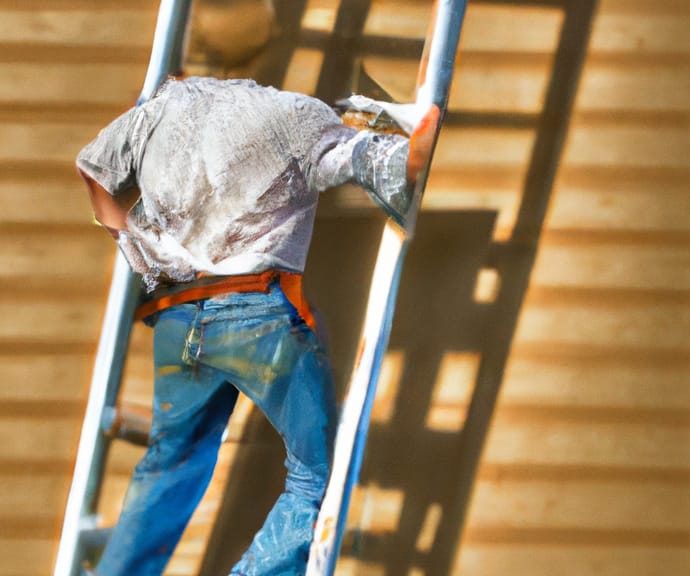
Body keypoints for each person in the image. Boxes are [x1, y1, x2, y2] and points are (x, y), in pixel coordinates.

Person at [76, 75, 431, 576]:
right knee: (317, 477)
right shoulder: (294, 117)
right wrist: (415, 127)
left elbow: (93, 171)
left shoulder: (155, 113)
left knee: (169, 466)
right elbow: (395, 165)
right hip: (256, 318)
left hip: (179, 318)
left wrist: (137, 247)